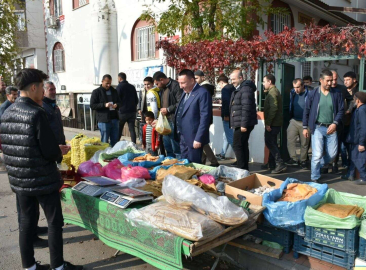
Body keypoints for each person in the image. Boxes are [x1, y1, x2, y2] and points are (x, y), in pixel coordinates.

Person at [0, 68, 82, 270]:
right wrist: (58, 151)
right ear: (34, 87)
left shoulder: (7, 111)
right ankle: (58, 266)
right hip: (42, 178)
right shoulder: (37, 113)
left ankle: (29, 266)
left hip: (19, 179)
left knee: (26, 222)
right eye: (41, 88)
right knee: (55, 222)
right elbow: (49, 152)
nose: (43, 93)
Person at [303, 69, 344, 182]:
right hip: (317, 128)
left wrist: (335, 124)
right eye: (328, 81)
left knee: (332, 154)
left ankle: (319, 164)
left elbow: (341, 110)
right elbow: (306, 110)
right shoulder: (313, 94)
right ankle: (315, 177)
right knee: (316, 154)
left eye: (331, 81)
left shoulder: (336, 94)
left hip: (332, 128)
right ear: (321, 80)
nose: (330, 83)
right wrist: (305, 127)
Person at [174, 69, 212, 163]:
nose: (181, 86)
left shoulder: (202, 93)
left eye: (183, 83)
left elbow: (205, 118)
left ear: (192, 80)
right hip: (182, 136)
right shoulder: (185, 91)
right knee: (185, 164)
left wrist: (199, 138)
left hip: (194, 138)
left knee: (194, 165)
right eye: (179, 83)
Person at [229, 69, 257, 171]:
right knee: (242, 145)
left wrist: (243, 125)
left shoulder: (245, 89)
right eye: (231, 79)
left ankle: (241, 168)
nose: (232, 81)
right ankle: (244, 168)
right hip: (240, 122)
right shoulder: (241, 88)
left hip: (243, 123)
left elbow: (246, 108)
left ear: (241, 78)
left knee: (238, 145)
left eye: (234, 79)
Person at [153, 71, 182, 158]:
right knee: (168, 147)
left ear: (161, 80)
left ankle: (179, 166)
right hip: (165, 121)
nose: (157, 86)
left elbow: (180, 103)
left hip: (174, 120)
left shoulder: (175, 86)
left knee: (176, 148)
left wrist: (168, 109)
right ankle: (170, 166)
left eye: (157, 83)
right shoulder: (163, 88)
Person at [261, 74, 287, 173]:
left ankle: (280, 163)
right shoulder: (271, 92)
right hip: (274, 123)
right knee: (272, 143)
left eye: (264, 81)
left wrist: (268, 123)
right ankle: (271, 163)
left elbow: (274, 108)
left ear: (269, 82)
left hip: (273, 123)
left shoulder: (273, 92)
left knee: (270, 143)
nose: (263, 84)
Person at [194, 70, 219, 167]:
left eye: (197, 78)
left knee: (202, 141)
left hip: (203, 119)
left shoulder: (204, 89)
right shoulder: (206, 87)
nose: (195, 80)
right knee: (202, 140)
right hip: (205, 118)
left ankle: (214, 161)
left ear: (202, 78)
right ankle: (203, 161)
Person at [90, 74, 121, 147]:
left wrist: (117, 105)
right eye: (107, 83)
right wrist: (104, 105)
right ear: (102, 81)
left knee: (115, 140)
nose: (108, 85)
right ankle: (104, 156)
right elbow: (92, 105)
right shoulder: (96, 92)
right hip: (104, 120)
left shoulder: (114, 91)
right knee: (104, 141)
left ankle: (114, 156)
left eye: (110, 83)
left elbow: (120, 102)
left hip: (114, 119)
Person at [286, 78, 310, 169]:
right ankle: (294, 159)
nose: (296, 89)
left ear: (303, 85)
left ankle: (303, 160)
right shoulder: (292, 92)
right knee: (290, 139)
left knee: (304, 143)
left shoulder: (309, 93)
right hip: (294, 120)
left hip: (305, 122)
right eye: (294, 87)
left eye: (298, 87)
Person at [343, 92, 366, 185]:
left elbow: (364, 128)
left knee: (358, 159)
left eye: (354, 99)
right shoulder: (358, 109)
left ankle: (364, 178)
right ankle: (351, 174)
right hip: (355, 139)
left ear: (358, 100)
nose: (353, 101)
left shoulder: (362, 110)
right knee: (353, 158)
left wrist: (362, 143)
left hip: (358, 141)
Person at [340, 71, 359, 169]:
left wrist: (349, 110)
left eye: (348, 80)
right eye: (344, 80)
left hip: (354, 123)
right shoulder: (343, 90)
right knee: (343, 146)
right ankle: (345, 164)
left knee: (351, 146)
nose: (345, 82)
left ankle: (352, 166)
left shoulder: (358, 91)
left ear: (354, 80)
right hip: (344, 123)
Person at [330, 70, 348, 173]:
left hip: (338, 122)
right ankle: (325, 164)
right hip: (325, 121)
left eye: (336, 79)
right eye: (332, 79)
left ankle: (334, 164)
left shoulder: (342, 89)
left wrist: (349, 109)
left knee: (336, 145)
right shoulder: (324, 89)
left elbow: (350, 99)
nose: (333, 82)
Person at [116, 72, 138, 144]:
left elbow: (117, 99)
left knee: (119, 129)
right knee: (132, 129)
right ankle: (134, 144)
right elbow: (136, 100)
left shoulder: (119, 87)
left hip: (122, 112)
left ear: (120, 78)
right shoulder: (132, 87)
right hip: (132, 111)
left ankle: (116, 144)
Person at [217, 74, 235, 160]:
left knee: (230, 137)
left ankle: (240, 158)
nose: (219, 87)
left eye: (219, 84)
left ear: (221, 82)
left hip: (227, 116)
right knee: (226, 136)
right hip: (233, 115)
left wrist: (226, 114)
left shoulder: (225, 90)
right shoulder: (232, 88)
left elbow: (227, 102)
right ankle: (222, 153)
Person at [138, 77, 152, 141]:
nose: (146, 86)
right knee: (143, 127)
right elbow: (140, 100)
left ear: (152, 84)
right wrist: (139, 109)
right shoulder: (142, 91)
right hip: (144, 112)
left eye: (148, 84)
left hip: (151, 113)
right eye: (145, 84)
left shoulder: (155, 91)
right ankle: (143, 141)